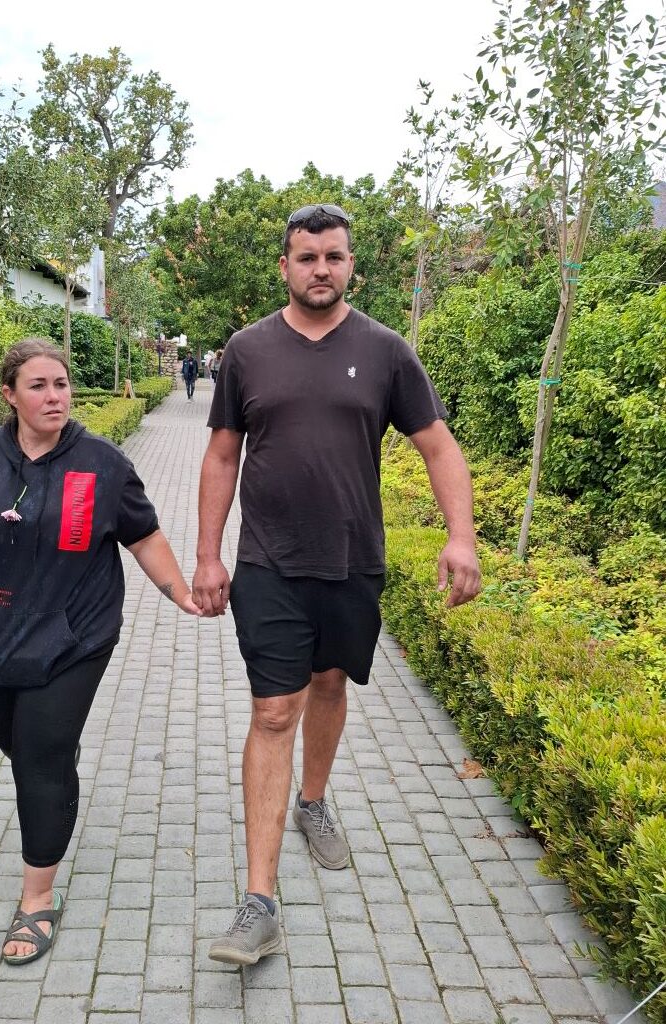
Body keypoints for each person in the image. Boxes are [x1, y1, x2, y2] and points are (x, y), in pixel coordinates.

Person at [192, 204, 481, 966]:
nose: (321, 268)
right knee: (273, 708)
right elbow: (222, 457)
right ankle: (260, 900)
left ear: (351, 265)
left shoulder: (387, 351)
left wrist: (461, 537)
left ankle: (312, 802)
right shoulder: (247, 351)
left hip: (354, 562)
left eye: (334, 257)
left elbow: (440, 449)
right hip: (268, 565)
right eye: (307, 256)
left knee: (327, 686)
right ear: (285, 266)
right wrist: (207, 554)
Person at [0, 337, 200, 966]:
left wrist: (182, 594)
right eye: (38, 386)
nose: (55, 396)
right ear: (10, 394)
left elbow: (144, 537)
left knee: (38, 760)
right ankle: (55, 759)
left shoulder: (102, 464)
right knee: (11, 735)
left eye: (61, 384)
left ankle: (38, 899)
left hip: (74, 636)